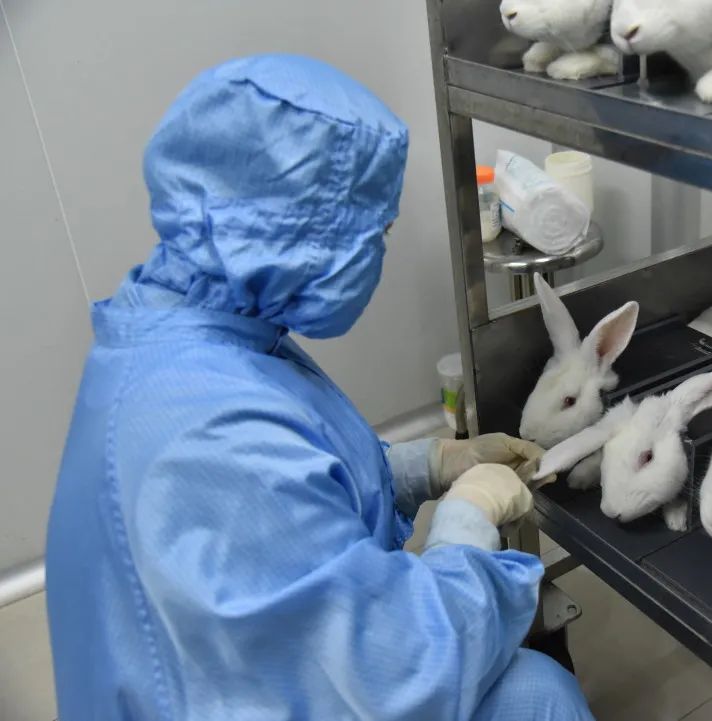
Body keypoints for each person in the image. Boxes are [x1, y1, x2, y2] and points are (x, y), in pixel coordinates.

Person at [45, 54, 594, 721]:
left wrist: (428, 465)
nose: (382, 249)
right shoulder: (211, 437)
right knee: (537, 696)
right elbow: (405, 665)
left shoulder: (190, 333)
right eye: (376, 231)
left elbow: (295, 490)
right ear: (294, 232)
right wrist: (467, 519)